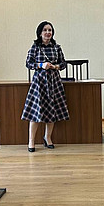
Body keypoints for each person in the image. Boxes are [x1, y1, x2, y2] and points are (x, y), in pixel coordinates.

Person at [21, 21, 69, 152]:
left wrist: (55, 66)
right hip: (39, 83)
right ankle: (31, 141)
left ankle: (47, 137)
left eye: (50, 30)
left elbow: (63, 64)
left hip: (54, 82)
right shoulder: (35, 47)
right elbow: (28, 63)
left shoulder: (57, 47)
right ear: (40, 33)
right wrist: (41, 65)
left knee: (52, 110)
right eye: (45, 30)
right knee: (36, 112)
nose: (48, 32)